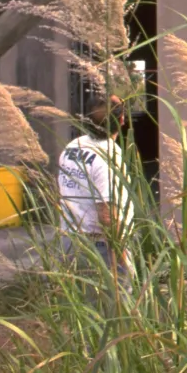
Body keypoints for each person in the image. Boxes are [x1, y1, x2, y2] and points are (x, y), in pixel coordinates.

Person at [57, 95, 131, 278]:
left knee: (79, 303)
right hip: (100, 248)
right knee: (115, 303)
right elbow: (107, 217)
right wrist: (122, 261)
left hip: (69, 241)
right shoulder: (109, 156)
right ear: (122, 120)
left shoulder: (73, 147)